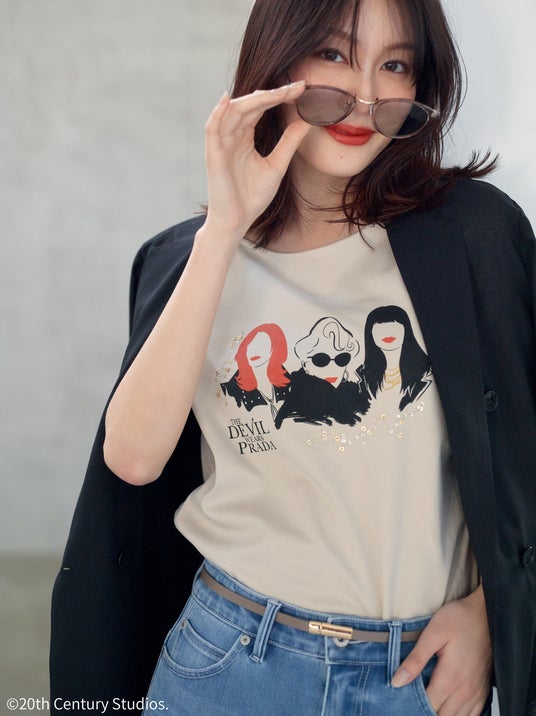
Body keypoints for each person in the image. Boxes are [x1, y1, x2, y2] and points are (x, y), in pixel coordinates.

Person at [49, 0, 536, 714]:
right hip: (229, 662)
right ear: (279, 57)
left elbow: (522, 461)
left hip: (417, 676)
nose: (365, 93)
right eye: (334, 54)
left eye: (394, 64)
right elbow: (133, 459)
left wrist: (490, 613)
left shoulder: (475, 238)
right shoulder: (190, 260)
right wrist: (224, 229)